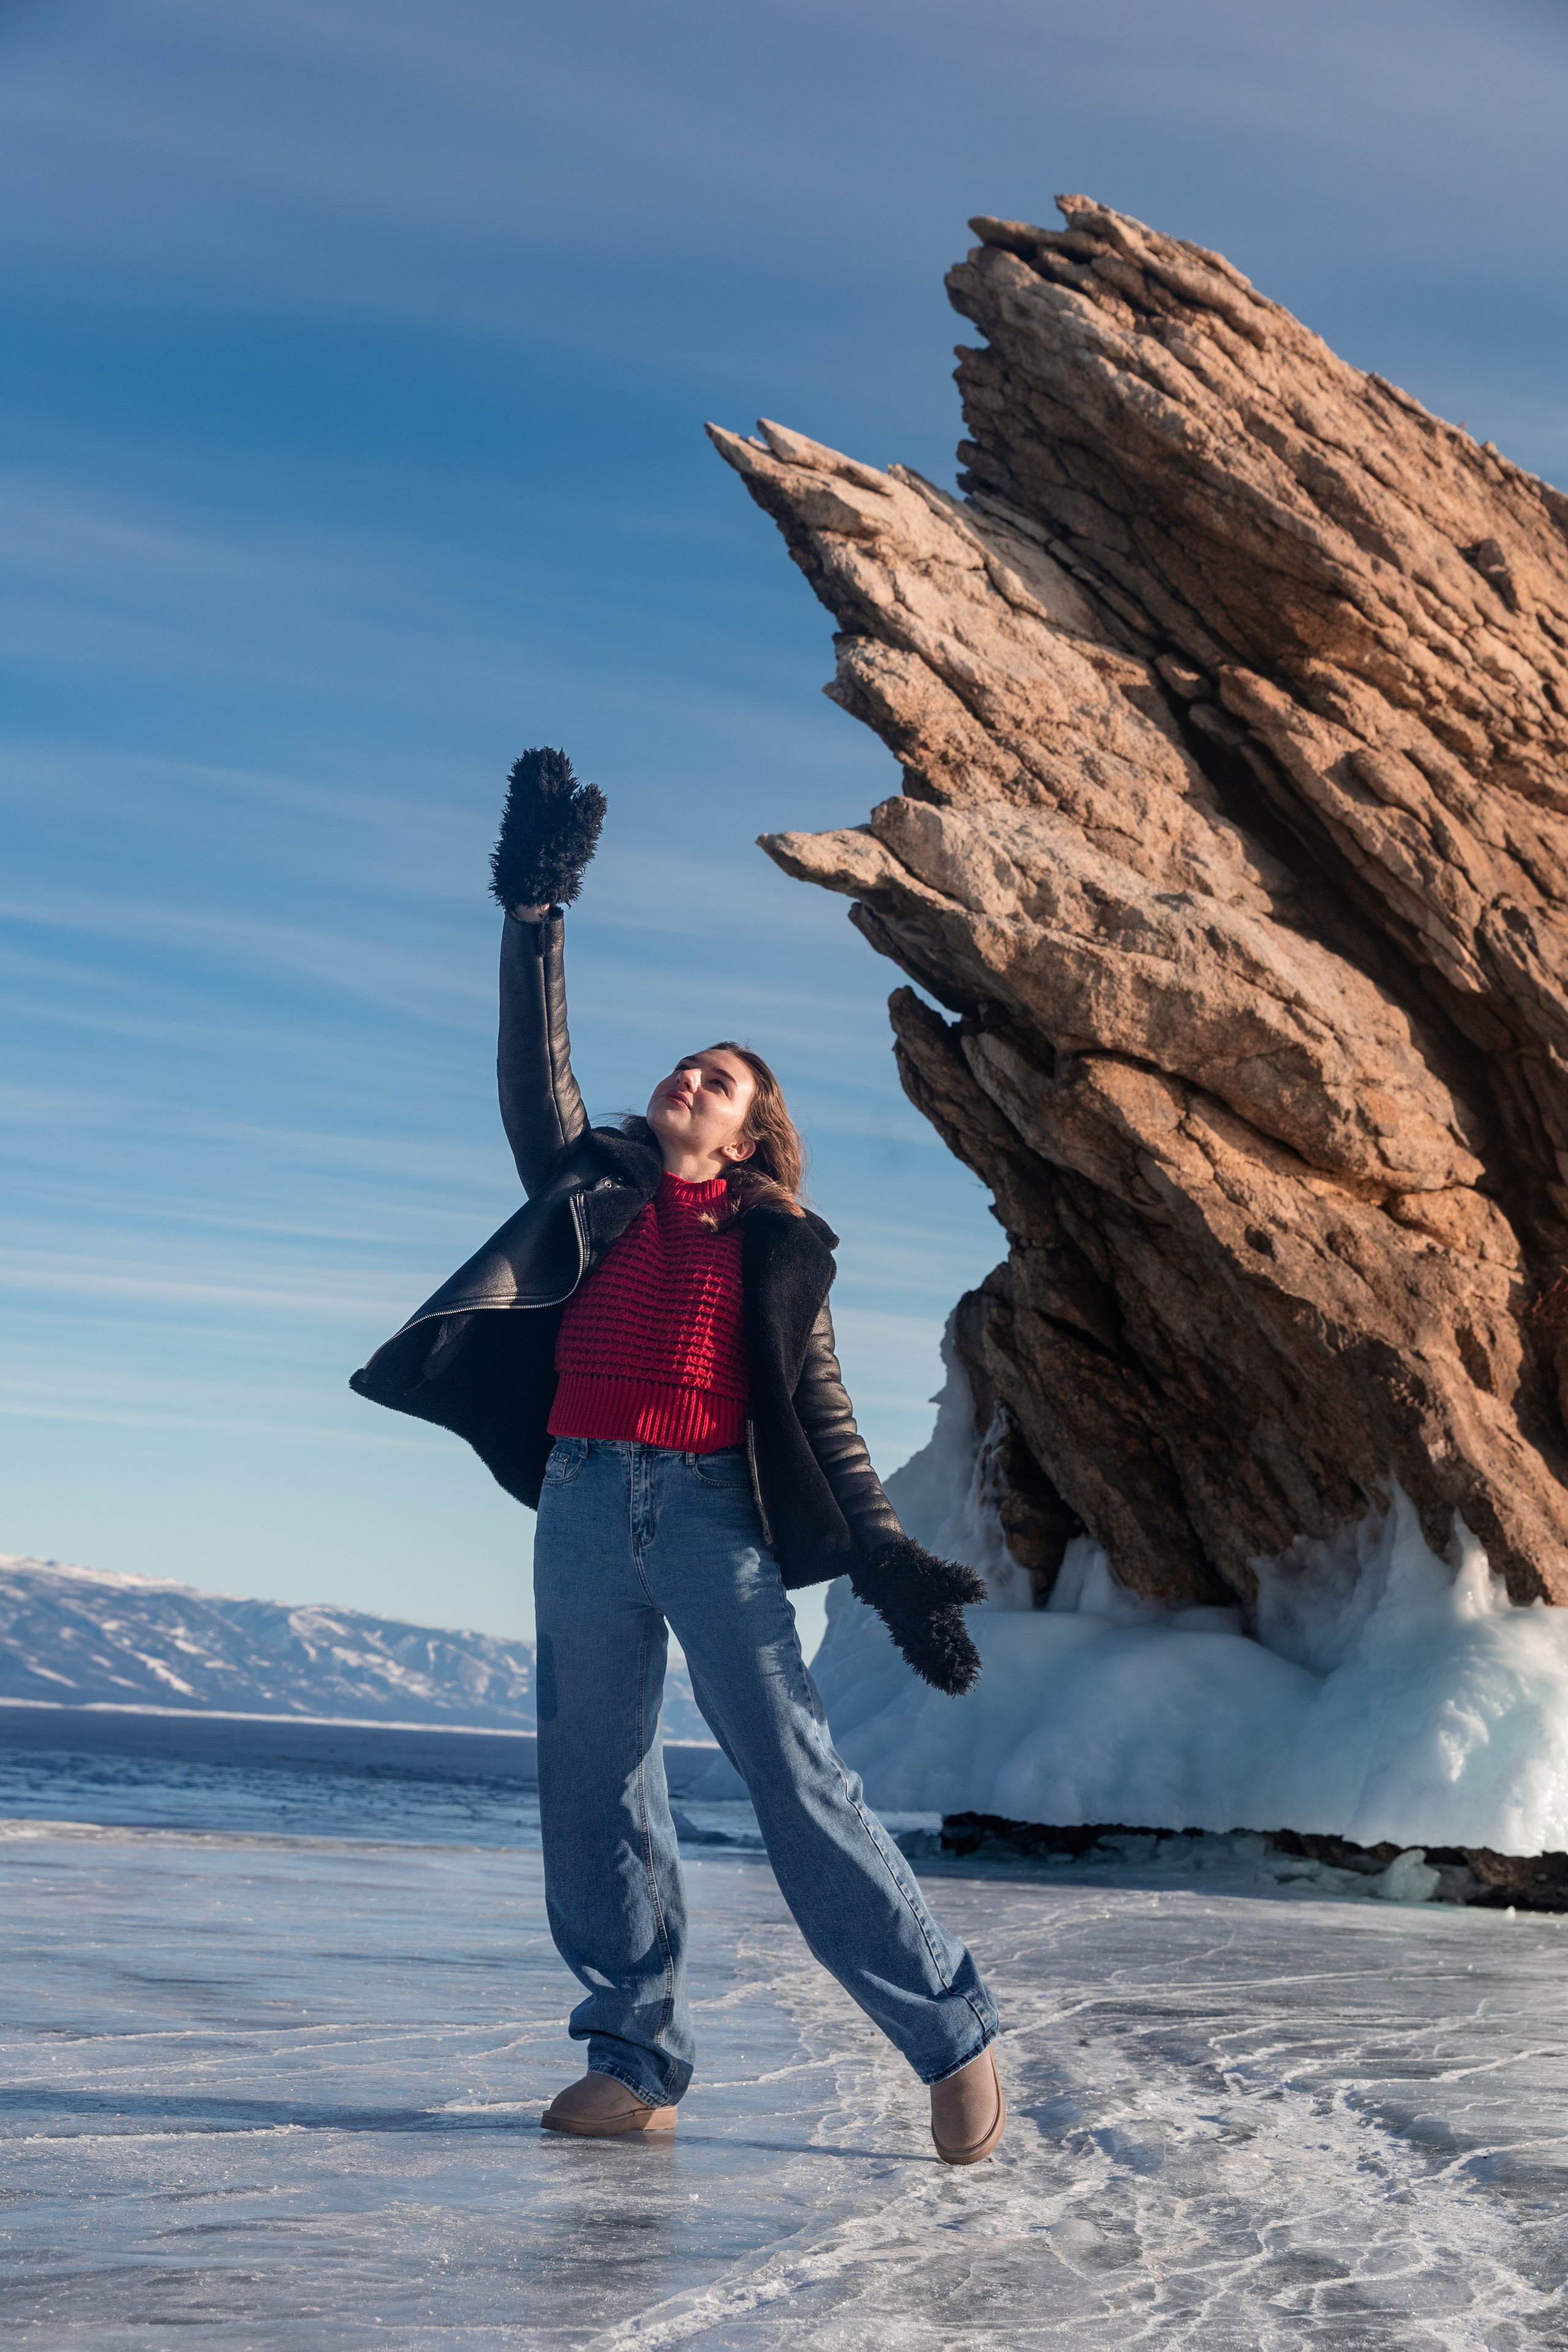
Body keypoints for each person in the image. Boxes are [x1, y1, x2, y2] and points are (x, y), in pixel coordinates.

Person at [352, 749, 1004, 2165]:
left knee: (794, 1777)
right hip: (584, 1503)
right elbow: (537, 1073)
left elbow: (819, 1411)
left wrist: (883, 1551)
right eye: (680, 1067)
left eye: (715, 1082)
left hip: (713, 1522)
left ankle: (947, 2030)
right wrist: (536, 917)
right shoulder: (586, 1178)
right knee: (595, 1781)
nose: (684, 1082)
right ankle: (633, 2056)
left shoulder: (781, 1249)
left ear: (751, 1127)